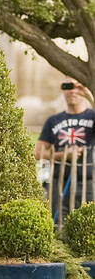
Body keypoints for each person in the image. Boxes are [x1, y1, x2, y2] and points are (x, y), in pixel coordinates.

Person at [36, 79, 95, 217]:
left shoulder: (92, 117)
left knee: (87, 224)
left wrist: (88, 94)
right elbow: (38, 153)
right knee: (58, 224)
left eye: (77, 86)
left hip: (88, 183)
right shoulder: (53, 120)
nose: (72, 91)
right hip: (59, 183)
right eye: (67, 86)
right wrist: (62, 156)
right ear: (63, 90)